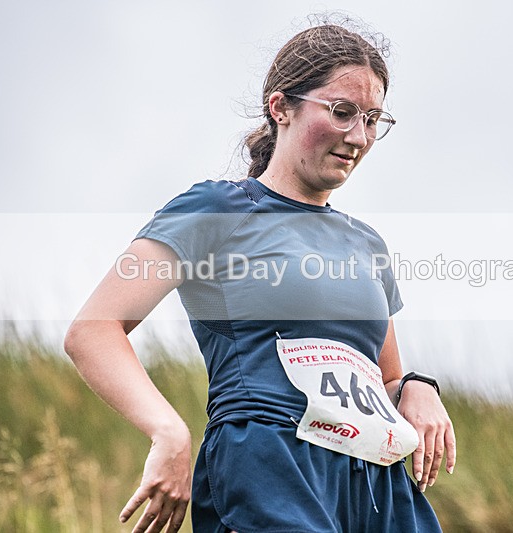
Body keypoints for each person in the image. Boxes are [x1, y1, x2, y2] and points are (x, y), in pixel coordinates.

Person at [64, 17, 456, 533]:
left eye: (372, 119)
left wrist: (415, 386)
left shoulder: (366, 244)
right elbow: (93, 329)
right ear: (281, 107)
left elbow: (383, 377)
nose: (359, 136)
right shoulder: (217, 209)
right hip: (269, 468)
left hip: (375, 485)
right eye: (341, 112)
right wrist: (169, 432)